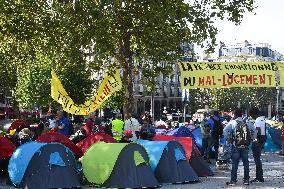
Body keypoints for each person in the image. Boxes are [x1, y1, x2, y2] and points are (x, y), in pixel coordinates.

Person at [225, 108, 256, 186]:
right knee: (246, 163)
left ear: (235, 115)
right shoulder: (247, 123)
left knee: (235, 163)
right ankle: (246, 180)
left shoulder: (232, 123)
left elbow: (225, 131)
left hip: (236, 146)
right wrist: (251, 139)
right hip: (245, 146)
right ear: (242, 114)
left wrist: (229, 139)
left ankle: (233, 181)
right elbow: (255, 132)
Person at [248, 107, 266, 183]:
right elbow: (263, 131)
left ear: (254, 114)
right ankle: (259, 177)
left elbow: (258, 131)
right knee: (258, 159)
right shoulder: (263, 119)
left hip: (257, 141)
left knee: (257, 160)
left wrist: (253, 138)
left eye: (251, 115)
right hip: (262, 140)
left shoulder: (258, 120)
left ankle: (259, 178)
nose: (251, 117)